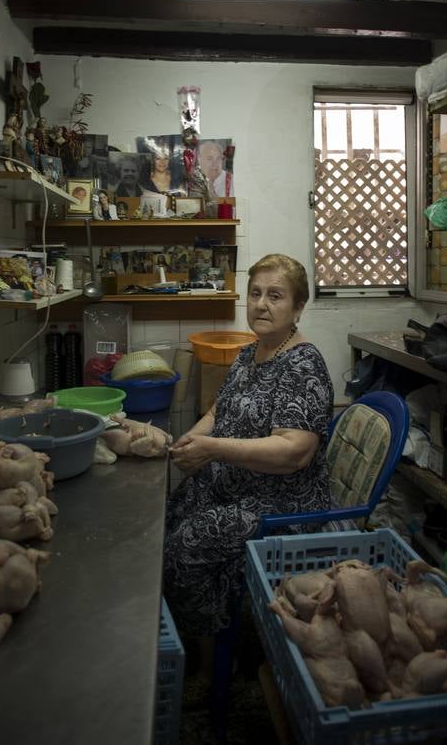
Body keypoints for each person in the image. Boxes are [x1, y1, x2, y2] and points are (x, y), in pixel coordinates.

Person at [163, 253, 334, 689]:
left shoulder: (303, 366)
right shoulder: (247, 355)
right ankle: (210, 627)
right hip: (236, 488)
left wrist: (212, 449)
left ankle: (213, 665)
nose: (261, 304)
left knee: (185, 546)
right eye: (255, 294)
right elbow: (218, 411)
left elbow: (293, 452)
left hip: (280, 504)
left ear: (297, 308)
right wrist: (190, 441)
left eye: (275, 296)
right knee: (170, 511)